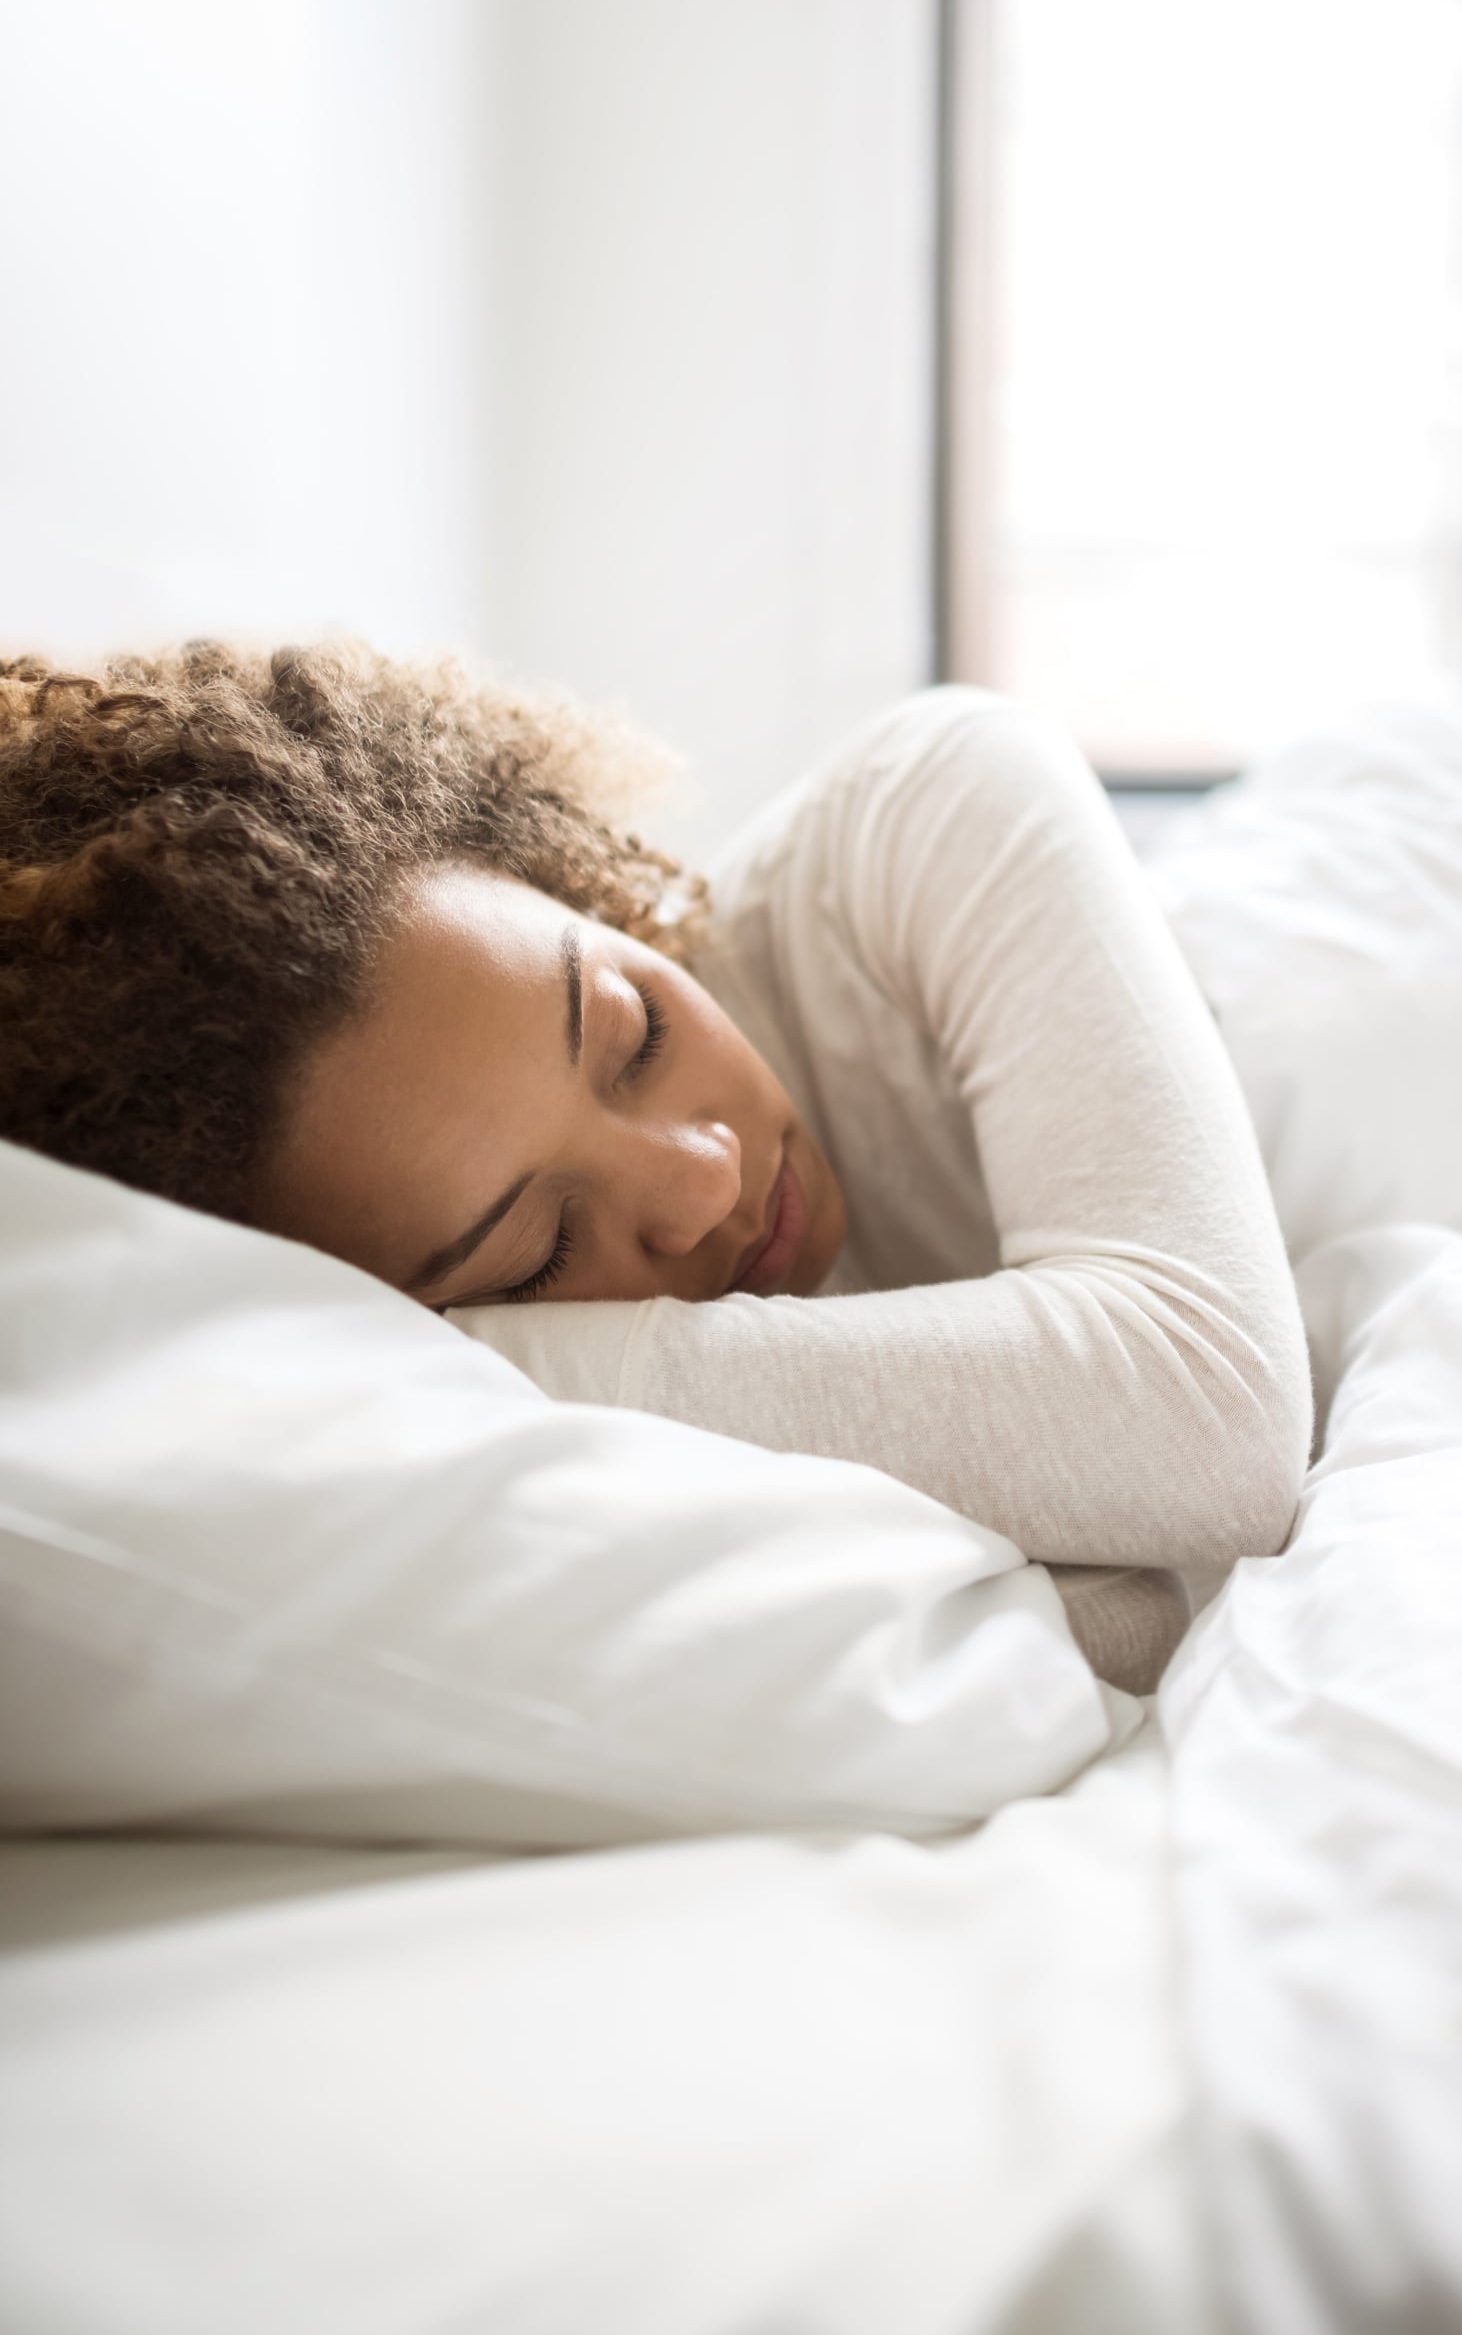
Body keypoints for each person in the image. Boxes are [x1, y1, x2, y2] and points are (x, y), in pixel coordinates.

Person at [0, 645, 1311, 1690]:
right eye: (541, 1253)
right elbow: (1130, 1619)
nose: (706, 1177)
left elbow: (1214, 1416)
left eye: (635, 1030)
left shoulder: (928, 812)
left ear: (562, 881)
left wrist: (526, 1358)